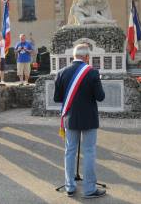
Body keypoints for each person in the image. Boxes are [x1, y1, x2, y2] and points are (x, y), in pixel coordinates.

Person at [54, 43, 106, 199]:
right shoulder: (92, 73)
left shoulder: (62, 72)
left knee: (69, 152)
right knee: (89, 152)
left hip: (70, 118)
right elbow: (100, 97)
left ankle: (70, 186)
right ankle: (89, 189)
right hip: (89, 118)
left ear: (74, 56)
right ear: (87, 57)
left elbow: (57, 98)